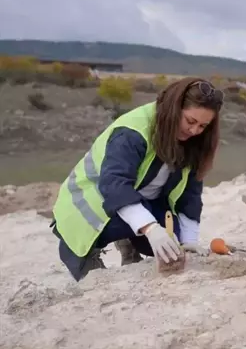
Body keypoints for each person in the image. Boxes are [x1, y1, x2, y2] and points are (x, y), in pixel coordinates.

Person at [50, 76, 223, 281]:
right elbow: (115, 184)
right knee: (94, 271)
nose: (194, 131)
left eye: (203, 126)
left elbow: (190, 194)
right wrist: (150, 228)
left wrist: (189, 241)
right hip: (91, 205)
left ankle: (130, 239)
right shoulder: (133, 132)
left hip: (142, 201)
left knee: (173, 240)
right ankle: (89, 249)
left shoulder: (194, 142)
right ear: (174, 109)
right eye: (190, 121)